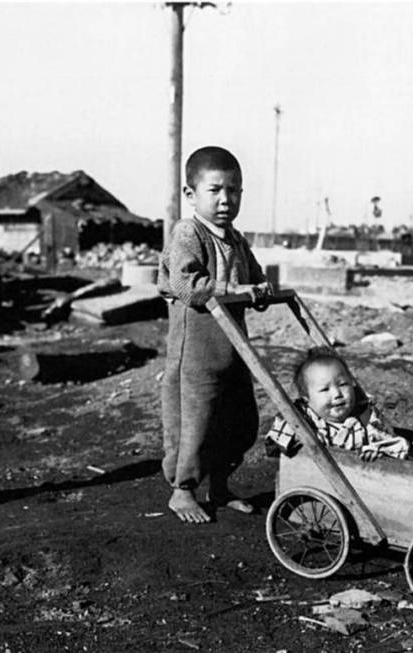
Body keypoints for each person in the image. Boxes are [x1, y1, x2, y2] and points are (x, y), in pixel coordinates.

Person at [157, 145, 272, 523]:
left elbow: (254, 278)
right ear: (191, 194)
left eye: (234, 191)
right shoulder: (187, 232)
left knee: (238, 419)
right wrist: (236, 291)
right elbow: (188, 285)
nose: (226, 200)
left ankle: (221, 486)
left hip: (235, 346)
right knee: (195, 419)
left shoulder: (235, 239)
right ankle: (182, 489)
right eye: (216, 190)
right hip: (198, 348)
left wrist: (263, 290)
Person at [265, 347, 409, 460]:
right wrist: (299, 439)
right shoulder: (302, 421)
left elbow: (394, 443)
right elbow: (277, 441)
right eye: (324, 389)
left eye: (342, 384)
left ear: (352, 383)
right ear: (307, 399)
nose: (337, 394)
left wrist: (378, 450)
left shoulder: (366, 416)